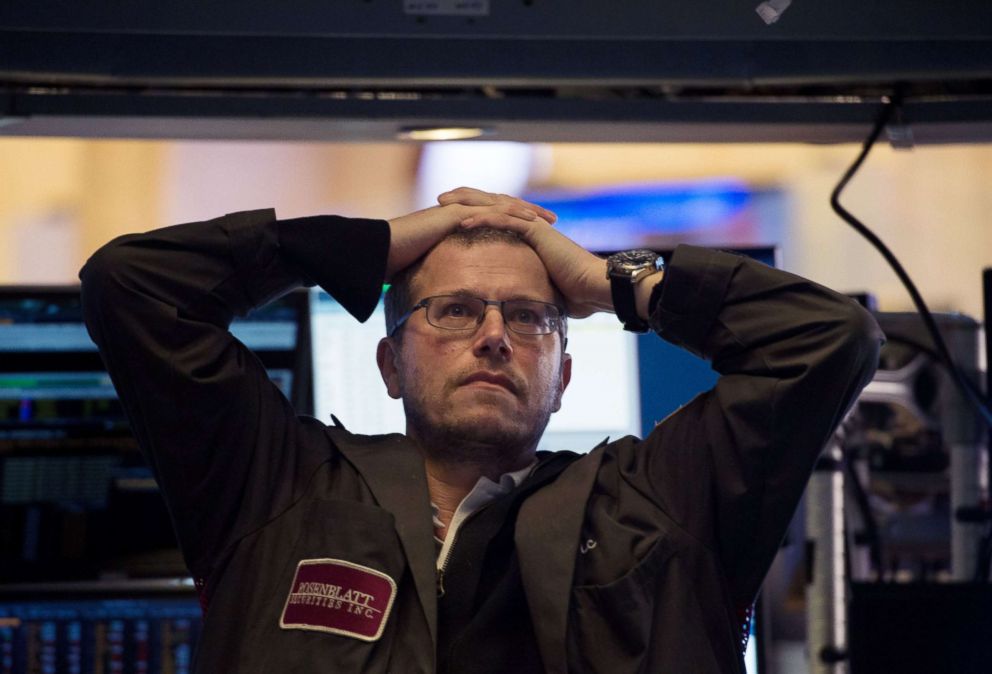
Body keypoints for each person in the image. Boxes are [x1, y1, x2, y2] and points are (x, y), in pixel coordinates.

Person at [80, 187, 882, 674]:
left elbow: (828, 340)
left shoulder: (660, 505)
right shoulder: (276, 489)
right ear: (390, 365)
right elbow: (134, 289)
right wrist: (372, 246)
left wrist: (613, 282)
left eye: (531, 317)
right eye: (454, 310)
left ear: (563, 377)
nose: (494, 336)